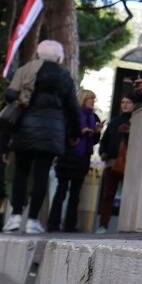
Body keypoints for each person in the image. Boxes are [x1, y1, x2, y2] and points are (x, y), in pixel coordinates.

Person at [4, 39, 78, 236]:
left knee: (21, 173)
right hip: (52, 132)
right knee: (41, 175)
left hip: (25, 128)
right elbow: (72, 107)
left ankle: (15, 217)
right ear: (60, 57)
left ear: (38, 54)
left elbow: (9, 95)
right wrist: (75, 132)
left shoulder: (26, 70)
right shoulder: (65, 76)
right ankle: (32, 220)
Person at [47, 90, 102, 232]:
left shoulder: (94, 117)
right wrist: (80, 132)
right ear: (83, 99)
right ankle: (53, 224)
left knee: (76, 194)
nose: (92, 102)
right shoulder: (72, 114)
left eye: (93, 99)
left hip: (83, 158)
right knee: (61, 191)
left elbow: (94, 141)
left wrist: (97, 132)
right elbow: (65, 133)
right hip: (68, 157)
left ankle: (70, 225)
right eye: (90, 99)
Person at [94, 97, 133, 233]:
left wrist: (129, 133)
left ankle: (126, 225)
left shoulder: (137, 120)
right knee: (107, 196)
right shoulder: (114, 122)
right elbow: (104, 141)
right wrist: (103, 152)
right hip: (112, 162)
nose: (125, 105)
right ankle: (103, 225)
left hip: (130, 163)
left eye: (128, 102)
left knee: (129, 196)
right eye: (123, 102)